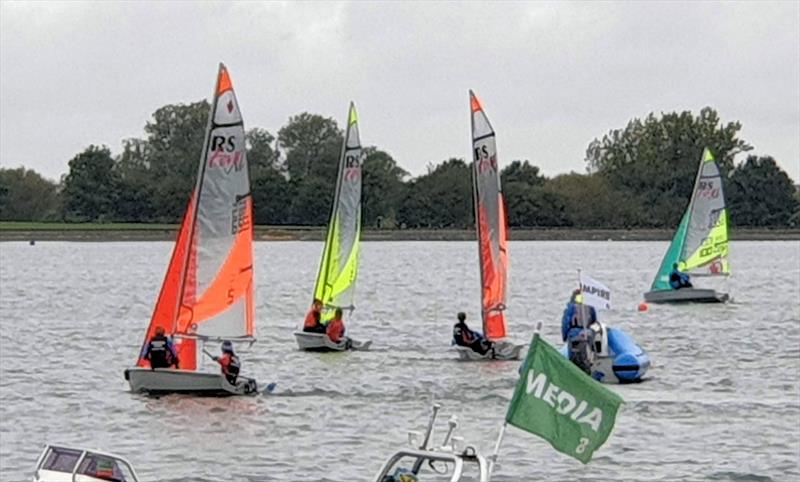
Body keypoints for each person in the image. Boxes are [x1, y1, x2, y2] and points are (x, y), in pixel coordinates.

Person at [561, 290, 597, 375]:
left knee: (573, 355)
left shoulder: (570, 308)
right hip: (587, 332)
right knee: (588, 351)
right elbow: (594, 319)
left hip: (574, 333)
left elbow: (566, 322)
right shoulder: (590, 307)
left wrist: (564, 336)